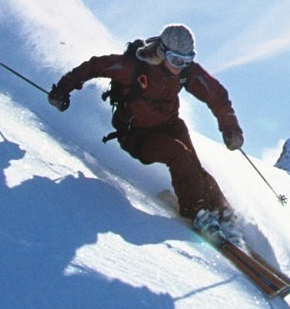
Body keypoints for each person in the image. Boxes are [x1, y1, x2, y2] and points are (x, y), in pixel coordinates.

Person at [48, 23, 244, 231]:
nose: (180, 67)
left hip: (169, 125)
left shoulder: (185, 71)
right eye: (176, 60)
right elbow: (95, 66)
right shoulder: (133, 67)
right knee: (179, 154)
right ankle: (196, 212)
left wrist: (230, 128)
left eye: (187, 61)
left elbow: (217, 95)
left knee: (192, 166)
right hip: (136, 134)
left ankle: (224, 213)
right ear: (162, 53)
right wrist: (62, 89)